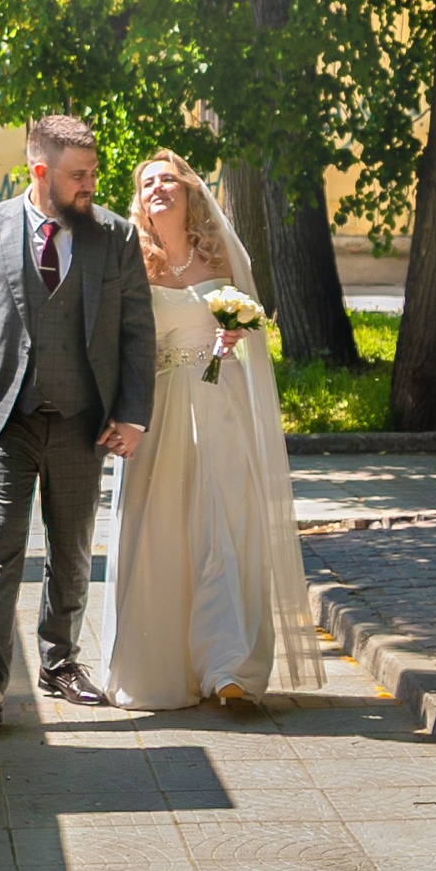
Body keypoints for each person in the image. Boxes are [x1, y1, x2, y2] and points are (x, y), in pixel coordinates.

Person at [0, 112, 156, 725]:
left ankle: (60, 663)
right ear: (40, 172)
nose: (90, 184)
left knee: (73, 552)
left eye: (93, 173)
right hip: (7, 419)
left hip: (85, 422)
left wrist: (133, 415)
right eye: (78, 175)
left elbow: (139, 333)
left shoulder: (114, 236)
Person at [104, 150, 325, 712]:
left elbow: (252, 325)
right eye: (148, 182)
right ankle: (167, 665)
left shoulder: (220, 253)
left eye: (169, 181)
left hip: (221, 403)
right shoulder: (132, 260)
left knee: (225, 528)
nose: (159, 189)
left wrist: (236, 337)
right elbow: (119, 343)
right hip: (160, 411)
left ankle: (228, 669)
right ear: (141, 199)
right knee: (165, 532)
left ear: (189, 192)